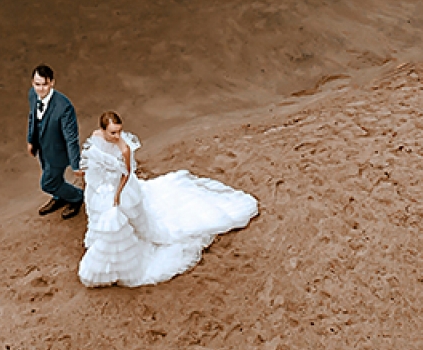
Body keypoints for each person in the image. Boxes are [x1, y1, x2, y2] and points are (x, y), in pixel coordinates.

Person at [78, 111, 257, 288]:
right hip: (102, 185)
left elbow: (126, 174)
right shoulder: (96, 136)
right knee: (101, 216)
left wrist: (117, 195)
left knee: (118, 222)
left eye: (119, 131)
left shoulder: (124, 148)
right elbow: (93, 159)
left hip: (121, 187)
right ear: (103, 130)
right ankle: (101, 248)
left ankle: (119, 262)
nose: (117, 136)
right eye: (113, 132)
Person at [26, 65, 83, 219]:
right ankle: (59, 197)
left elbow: (71, 137)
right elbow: (32, 117)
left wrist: (76, 164)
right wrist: (31, 141)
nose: (41, 89)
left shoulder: (64, 107)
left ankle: (76, 196)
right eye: (37, 84)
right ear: (32, 83)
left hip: (58, 152)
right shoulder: (33, 94)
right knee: (50, 175)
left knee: (48, 183)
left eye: (44, 84)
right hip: (42, 147)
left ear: (52, 82)